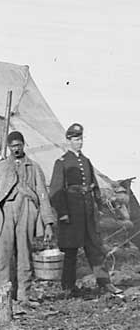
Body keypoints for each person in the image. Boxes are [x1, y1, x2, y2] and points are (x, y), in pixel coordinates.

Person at [0, 131, 56, 307]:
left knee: (24, 255)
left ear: (24, 145)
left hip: (27, 210)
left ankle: (24, 296)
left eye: (19, 145)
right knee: (3, 255)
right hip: (5, 212)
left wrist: (48, 223)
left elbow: (43, 195)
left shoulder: (34, 167)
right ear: (8, 147)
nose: (16, 149)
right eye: (13, 146)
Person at [48, 123, 120, 295]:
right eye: (75, 139)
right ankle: (68, 288)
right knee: (71, 251)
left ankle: (105, 283)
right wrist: (63, 213)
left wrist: (99, 206)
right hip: (71, 215)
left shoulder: (86, 161)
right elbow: (56, 192)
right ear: (68, 141)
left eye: (80, 139)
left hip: (88, 214)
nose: (78, 142)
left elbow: (94, 186)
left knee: (95, 249)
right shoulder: (62, 162)